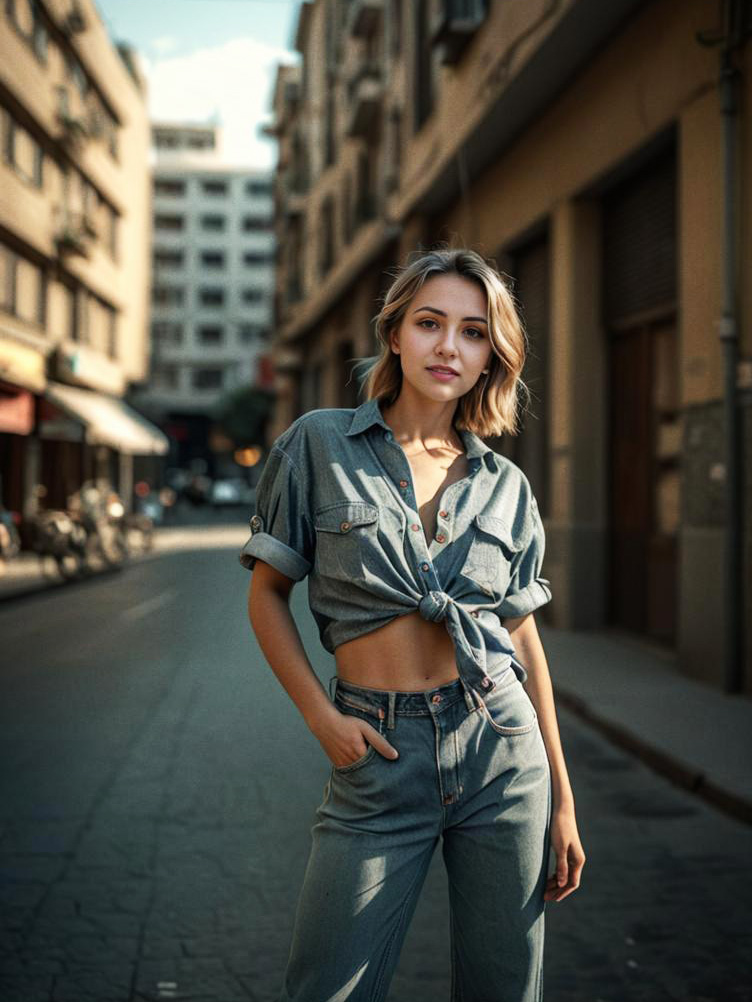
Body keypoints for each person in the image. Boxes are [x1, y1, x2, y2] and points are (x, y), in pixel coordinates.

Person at [241, 247, 586, 1002]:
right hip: (378, 753)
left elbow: (521, 639)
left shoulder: (507, 486)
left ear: (490, 355)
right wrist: (322, 718)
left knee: (504, 990)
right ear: (396, 333)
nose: (448, 347)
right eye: (430, 324)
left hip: (502, 754)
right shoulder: (320, 444)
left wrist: (561, 796)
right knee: (325, 987)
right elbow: (267, 592)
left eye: (472, 332)